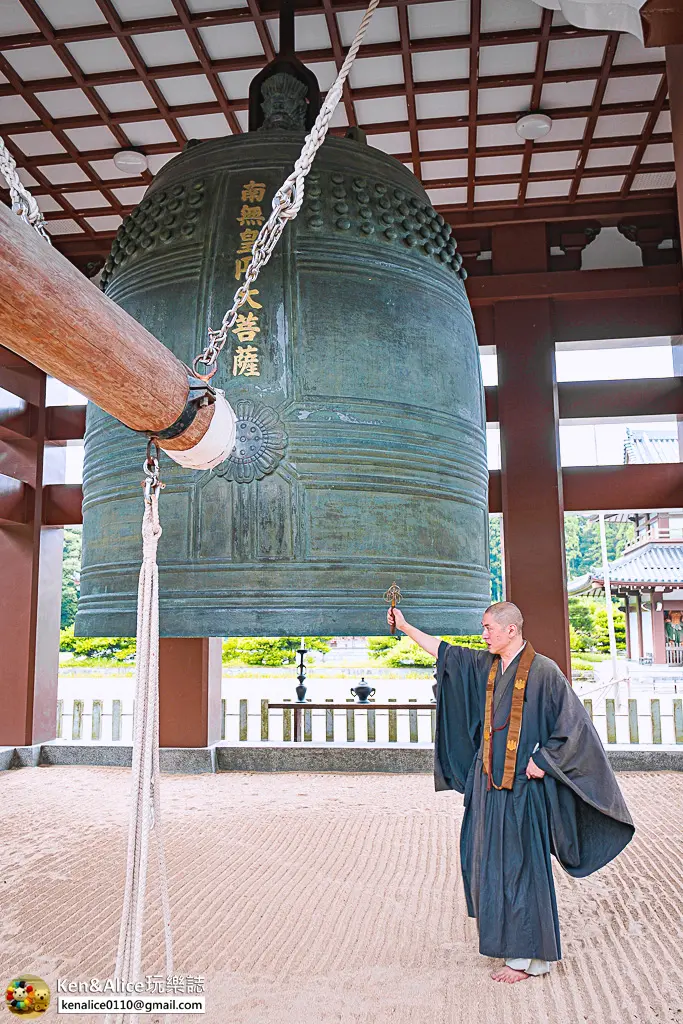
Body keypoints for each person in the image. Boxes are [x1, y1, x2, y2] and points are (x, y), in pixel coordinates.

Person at [387, 601, 634, 984]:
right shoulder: (489, 666)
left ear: (511, 630)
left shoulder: (544, 672)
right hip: (490, 788)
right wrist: (405, 627)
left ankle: (531, 958)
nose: (483, 634)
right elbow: (445, 653)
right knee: (491, 864)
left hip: (522, 792)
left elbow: (576, 729)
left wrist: (547, 760)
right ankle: (510, 946)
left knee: (522, 868)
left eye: (488, 628)